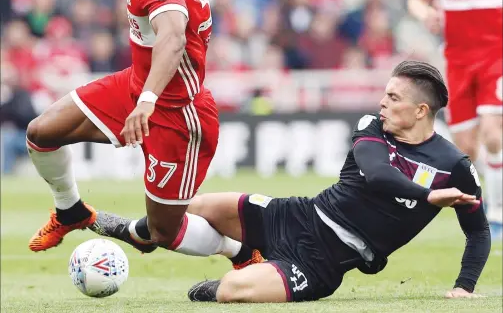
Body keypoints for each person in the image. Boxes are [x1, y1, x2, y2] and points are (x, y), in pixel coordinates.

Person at [90, 60, 490, 303]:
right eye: (384, 94)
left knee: (232, 291)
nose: (382, 102)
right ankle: (137, 232)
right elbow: (377, 174)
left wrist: (465, 286)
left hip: (323, 262)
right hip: (299, 214)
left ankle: (239, 260)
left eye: (393, 97)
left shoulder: (453, 165)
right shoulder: (372, 126)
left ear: (421, 110)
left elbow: (478, 231)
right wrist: (428, 195)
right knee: (187, 207)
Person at [25, 0, 261, 269]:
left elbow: (173, 40)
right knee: (41, 132)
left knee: (162, 233)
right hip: (136, 84)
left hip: (178, 113)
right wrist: (144, 94)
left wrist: (147, 101)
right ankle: (70, 210)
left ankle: (242, 251)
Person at [407, 0, 502, 237]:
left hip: (496, 57)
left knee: (494, 133)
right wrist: (425, 14)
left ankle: (498, 214)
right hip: (458, 60)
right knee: (466, 147)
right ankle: (483, 207)